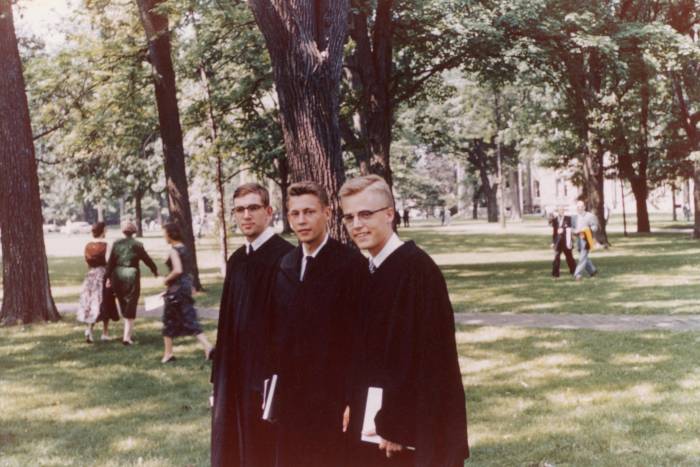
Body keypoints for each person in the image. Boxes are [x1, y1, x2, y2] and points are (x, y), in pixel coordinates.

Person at [340, 175, 469, 467]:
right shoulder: (371, 270)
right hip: (375, 423)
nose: (357, 224)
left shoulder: (417, 271)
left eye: (365, 214)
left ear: (390, 214)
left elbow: (430, 359)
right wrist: (353, 400)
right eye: (349, 217)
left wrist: (398, 424)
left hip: (409, 432)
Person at [270, 182, 366, 467]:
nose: (302, 220)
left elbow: (360, 339)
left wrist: (353, 398)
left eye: (309, 212)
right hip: (291, 397)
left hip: (332, 397)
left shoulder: (350, 265)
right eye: (295, 213)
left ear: (327, 213)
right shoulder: (286, 265)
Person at [210, 183, 294, 467]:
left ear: (269, 212)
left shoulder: (286, 258)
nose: (246, 215)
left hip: (265, 379)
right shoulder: (237, 260)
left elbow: (287, 330)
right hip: (234, 375)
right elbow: (226, 325)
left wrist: (274, 380)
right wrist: (219, 378)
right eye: (240, 210)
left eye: (253, 208)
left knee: (263, 451)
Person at [160, 223, 212, 364]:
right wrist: (191, 285)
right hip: (185, 286)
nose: (164, 236)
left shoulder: (174, 250)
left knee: (168, 319)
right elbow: (189, 269)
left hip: (176, 288)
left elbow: (178, 270)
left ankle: (168, 354)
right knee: (188, 317)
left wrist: (166, 279)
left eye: (165, 234)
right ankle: (207, 346)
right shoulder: (185, 248)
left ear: (170, 234)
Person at [105, 221, 158, 345]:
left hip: (117, 275)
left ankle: (126, 333)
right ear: (134, 231)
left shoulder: (116, 244)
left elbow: (111, 262)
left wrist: (107, 277)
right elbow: (147, 259)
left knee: (123, 302)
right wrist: (154, 270)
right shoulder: (137, 245)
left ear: (123, 231)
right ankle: (127, 337)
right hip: (131, 275)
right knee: (131, 303)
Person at [76, 222, 119, 343]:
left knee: (91, 303)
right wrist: (110, 278)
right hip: (103, 276)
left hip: (90, 276)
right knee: (106, 302)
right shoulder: (106, 245)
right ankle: (105, 333)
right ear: (103, 231)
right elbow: (109, 263)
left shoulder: (88, 245)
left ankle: (89, 330)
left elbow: (87, 262)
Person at [573, 200, 598, 281]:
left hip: (587, 239)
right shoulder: (574, 217)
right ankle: (592, 271)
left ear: (584, 207)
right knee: (584, 256)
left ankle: (577, 274)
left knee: (582, 257)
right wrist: (575, 231)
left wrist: (588, 229)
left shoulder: (590, 216)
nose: (579, 208)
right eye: (578, 207)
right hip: (578, 240)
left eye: (581, 207)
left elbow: (595, 227)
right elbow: (572, 228)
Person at [550, 206, 576, 279]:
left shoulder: (568, 218)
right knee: (556, 257)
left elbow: (570, 229)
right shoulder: (555, 220)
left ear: (564, 211)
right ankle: (555, 273)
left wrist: (563, 231)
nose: (561, 211)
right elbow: (554, 233)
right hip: (558, 242)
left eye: (562, 210)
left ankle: (574, 271)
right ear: (557, 211)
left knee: (569, 257)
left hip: (566, 241)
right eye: (559, 210)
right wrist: (553, 242)